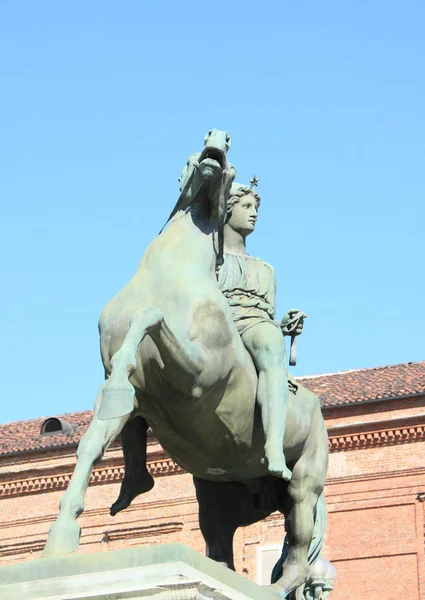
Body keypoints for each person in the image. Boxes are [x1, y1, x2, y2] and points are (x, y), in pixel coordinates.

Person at [217, 180, 302, 480]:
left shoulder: (266, 270)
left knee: (270, 338)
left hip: (256, 328)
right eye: (247, 206)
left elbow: (267, 316)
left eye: (256, 208)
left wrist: (283, 326)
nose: (254, 213)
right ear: (227, 209)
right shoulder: (210, 261)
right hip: (218, 323)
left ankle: (274, 447)